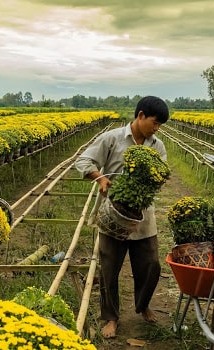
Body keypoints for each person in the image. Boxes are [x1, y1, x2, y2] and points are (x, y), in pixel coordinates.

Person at [74, 95, 169, 338]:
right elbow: (83, 160)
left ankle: (142, 305)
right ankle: (110, 317)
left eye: (159, 126)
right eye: (155, 123)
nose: (156, 129)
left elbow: (163, 174)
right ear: (140, 116)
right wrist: (100, 177)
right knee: (109, 269)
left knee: (150, 265)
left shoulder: (157, 146)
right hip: (113, 216)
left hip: (143, 218)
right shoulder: (112, 138)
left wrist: (154, 181)